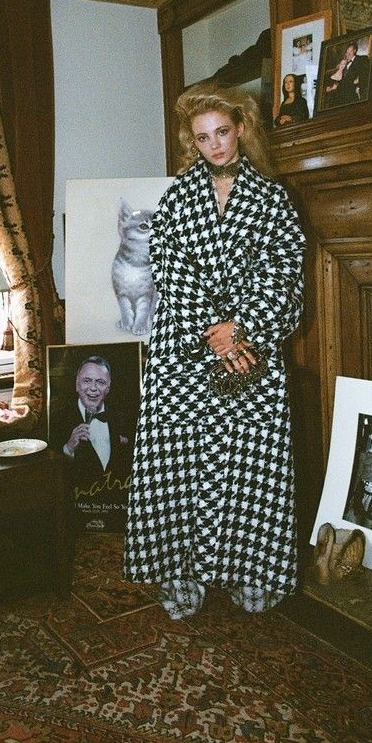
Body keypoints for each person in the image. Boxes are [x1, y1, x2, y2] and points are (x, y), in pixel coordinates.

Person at [123, 80, 306, 620]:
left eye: (222, 132)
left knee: (250, 467)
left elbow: (283, 273)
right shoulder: (176, 198)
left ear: (241, 128)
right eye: (203, 138)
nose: (215, 145)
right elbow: (170, 272)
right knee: (178, 467)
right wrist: (216, 333)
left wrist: (242, 329)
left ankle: (251, 572)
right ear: (192, 142)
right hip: (183, 351)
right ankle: (180, 577)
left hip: (253, 352)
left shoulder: (273, 200)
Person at [52, 356, 132, 498]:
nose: (93, 388)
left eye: (100, 382)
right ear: (77, 385)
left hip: (115, 496)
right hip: (77, 498)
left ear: (108, 388)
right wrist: (68, 448)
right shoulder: (58, 418)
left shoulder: (120, 417)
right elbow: (52, 472)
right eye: (87, 381)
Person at [345, 425, 372, 529]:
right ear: (371, 437)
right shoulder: (364, 454)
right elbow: (358, 475)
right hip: (362, 493)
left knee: (368, 526)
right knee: (356, 525)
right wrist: (352, 496)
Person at [328, 40, 370, 106]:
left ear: (355, 51)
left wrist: (359, 82)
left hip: (352, 94)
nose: (348, 54)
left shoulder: (361, 59)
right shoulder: (344, 63)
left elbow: (366, 73)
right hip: (341, 95)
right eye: (347, 52)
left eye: (350, 51)